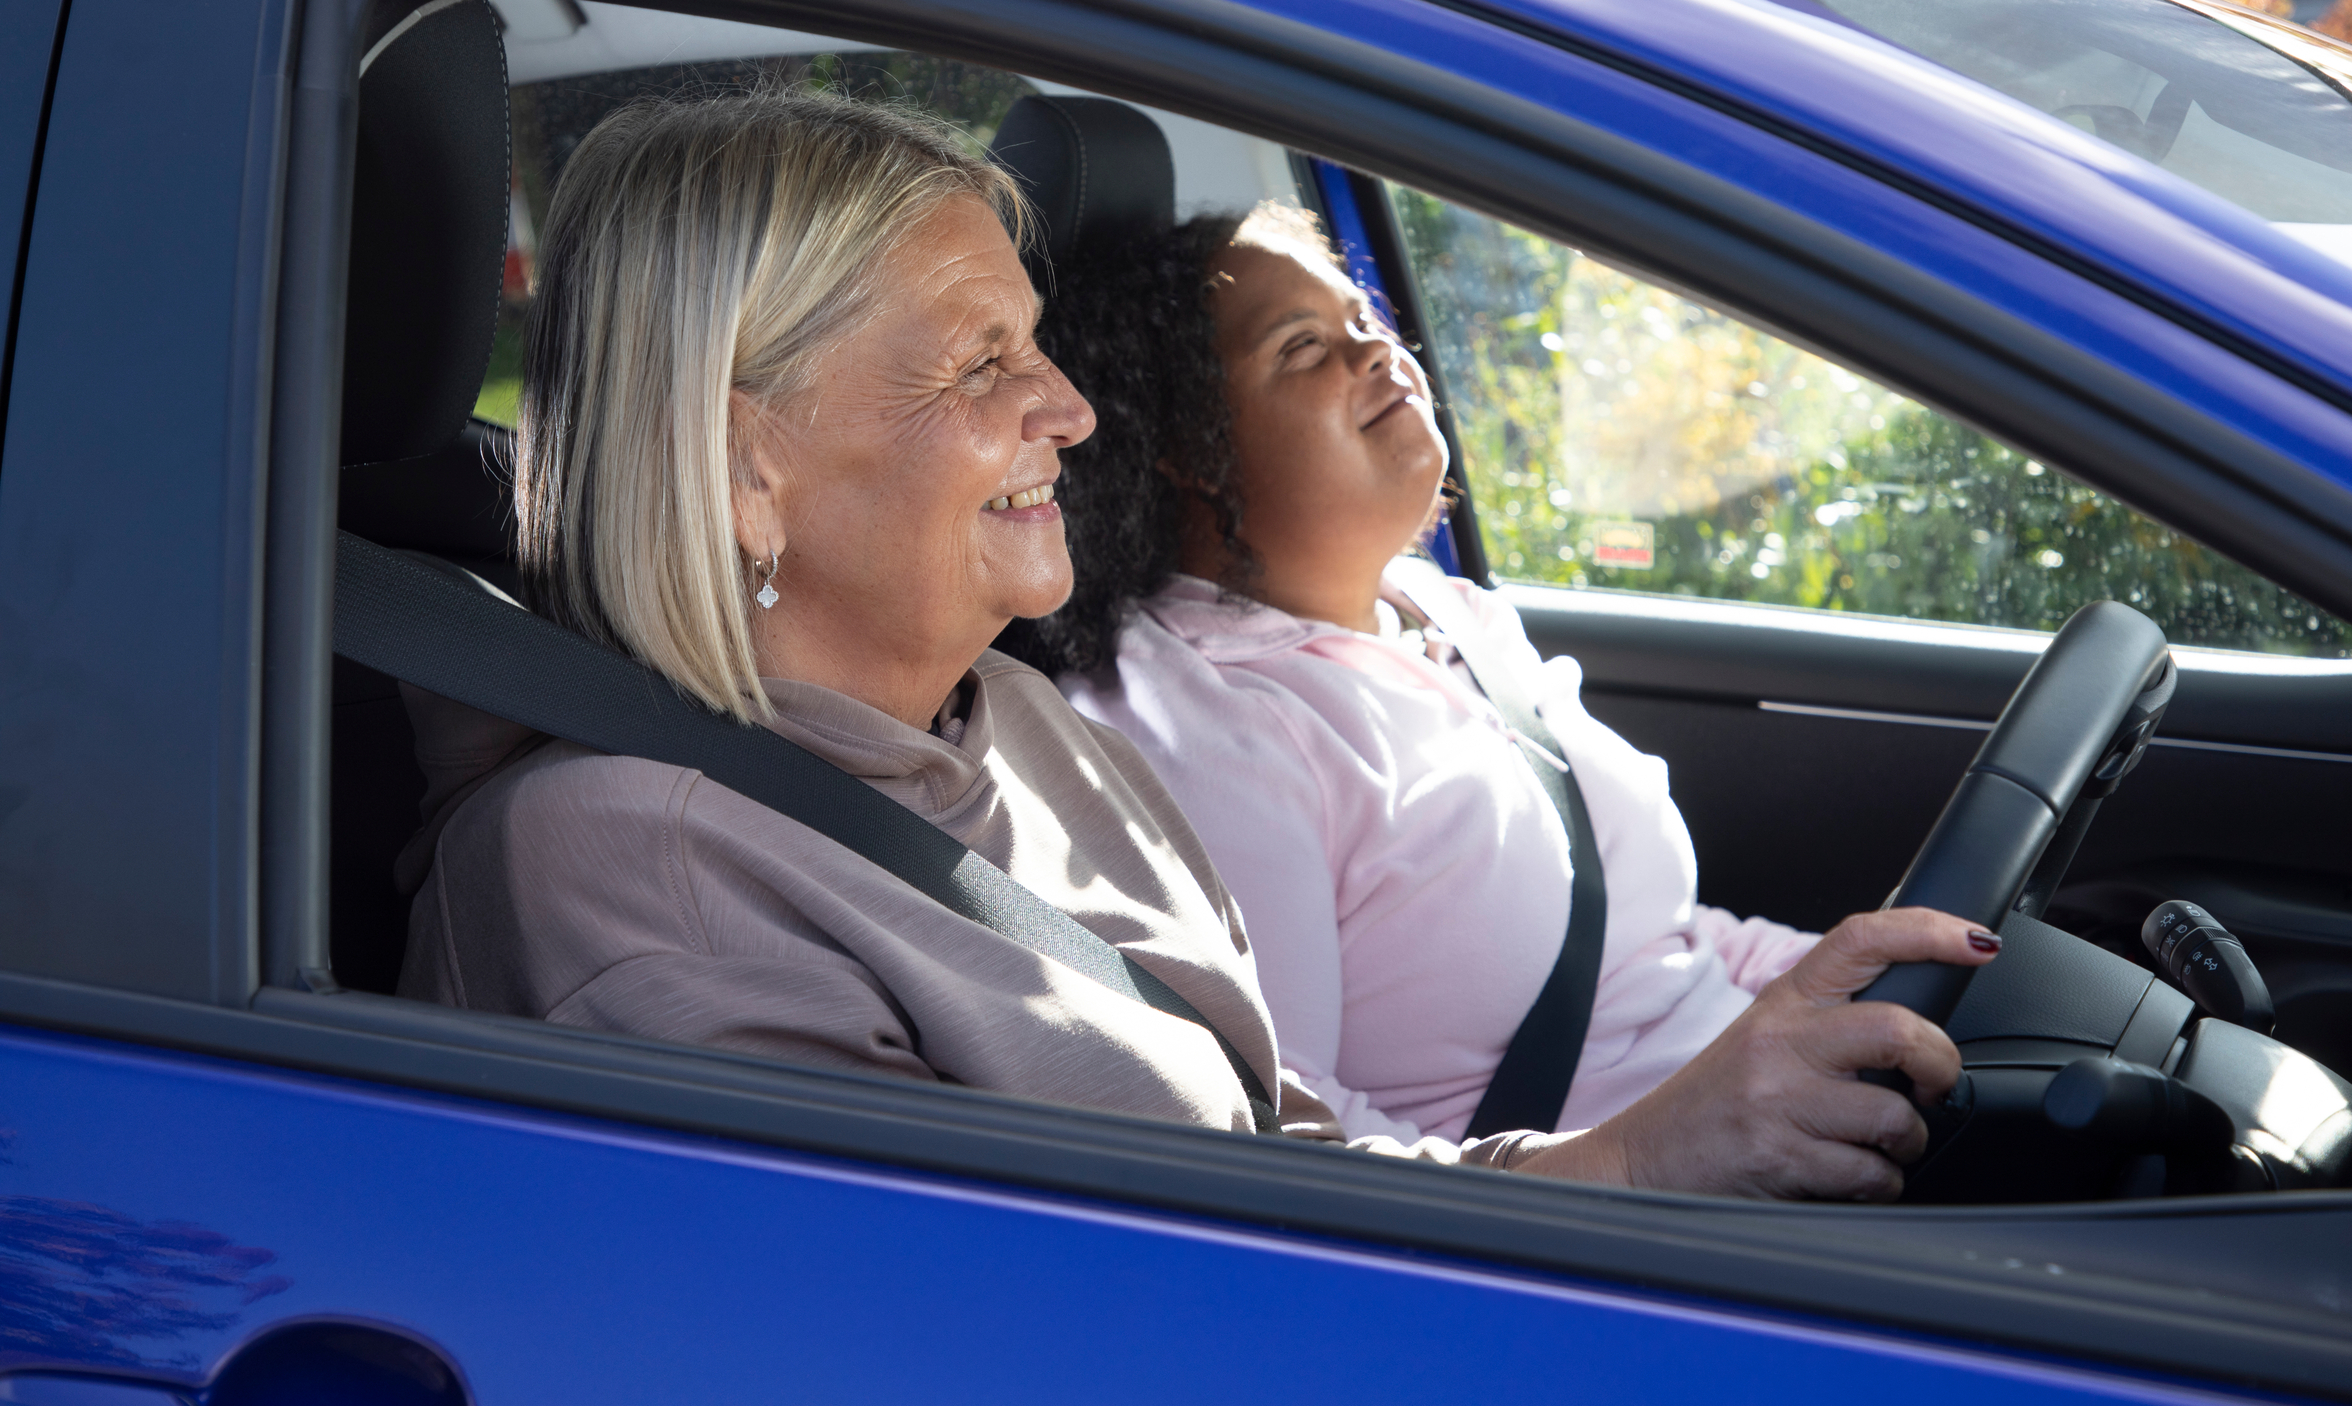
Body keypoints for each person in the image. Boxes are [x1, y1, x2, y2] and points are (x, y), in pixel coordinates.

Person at [396, 87, 1998, 1202]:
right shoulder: (635, 875)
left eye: (1041, 344)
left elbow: (1265, 1162)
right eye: (980, 366)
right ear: (750, 467)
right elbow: (955, 1322)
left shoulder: (1022, 724)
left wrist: (1648, 1160)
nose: (1072, 411)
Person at [1018, 204, 1823, 1143]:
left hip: (1782, 1138)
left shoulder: (1441, 612)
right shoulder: (1191, 728)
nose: (1376, 354)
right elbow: (1272, 1126)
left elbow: (1661, 947)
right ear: (1186, 446)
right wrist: (1637, 1168)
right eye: (1305, 348)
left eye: (1365, 322)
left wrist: (1843, 981)